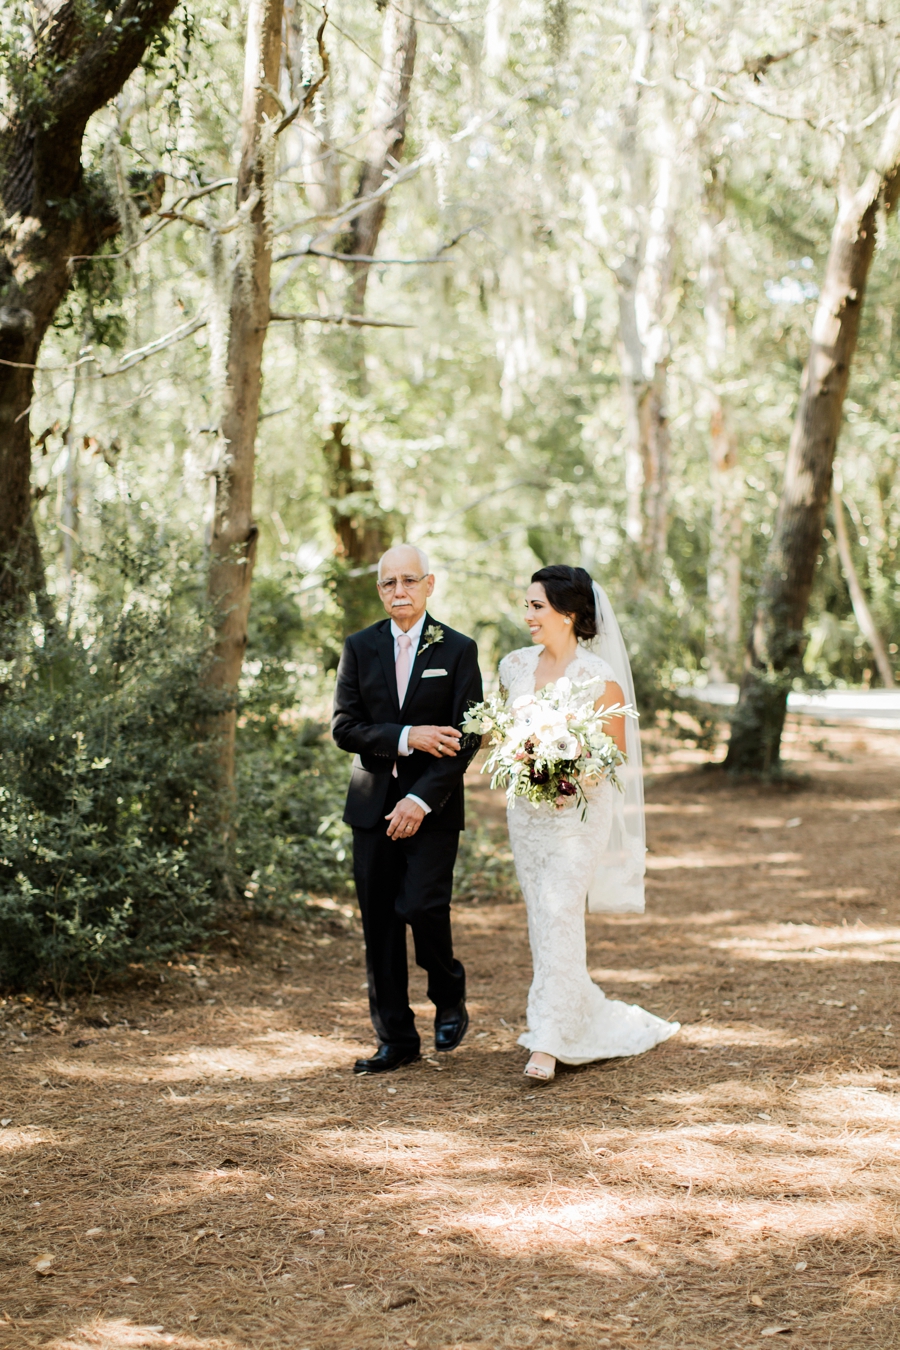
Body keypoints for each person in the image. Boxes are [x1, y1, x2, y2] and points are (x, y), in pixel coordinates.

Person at [499, 564, 679, 1083]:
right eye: (528, 604)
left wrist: (560, 766)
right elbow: (500, 733)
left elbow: (613, 755)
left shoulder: (600, 678)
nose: (527, 614)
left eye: (536, 606)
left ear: (569, 614)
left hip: (578, 814)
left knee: (559, 911)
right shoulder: (514, 666)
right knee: (542, 917)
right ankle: (577, 1014)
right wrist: (517, 755)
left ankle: (550, 1039)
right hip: (527, 815)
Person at [332, 544, 483, 1075]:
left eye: (408, 581)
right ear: (380, 589)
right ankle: (396, 1039)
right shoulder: (358, 647)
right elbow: (344, 728)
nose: (399, 590)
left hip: (433, 807)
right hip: (372, 807)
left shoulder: (458, 650)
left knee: (421, 906)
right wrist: (406, 736)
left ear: (429, 584)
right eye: (388, 582)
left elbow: (468, 736)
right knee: (379, 925)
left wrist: (421, 800)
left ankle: (448, 993)